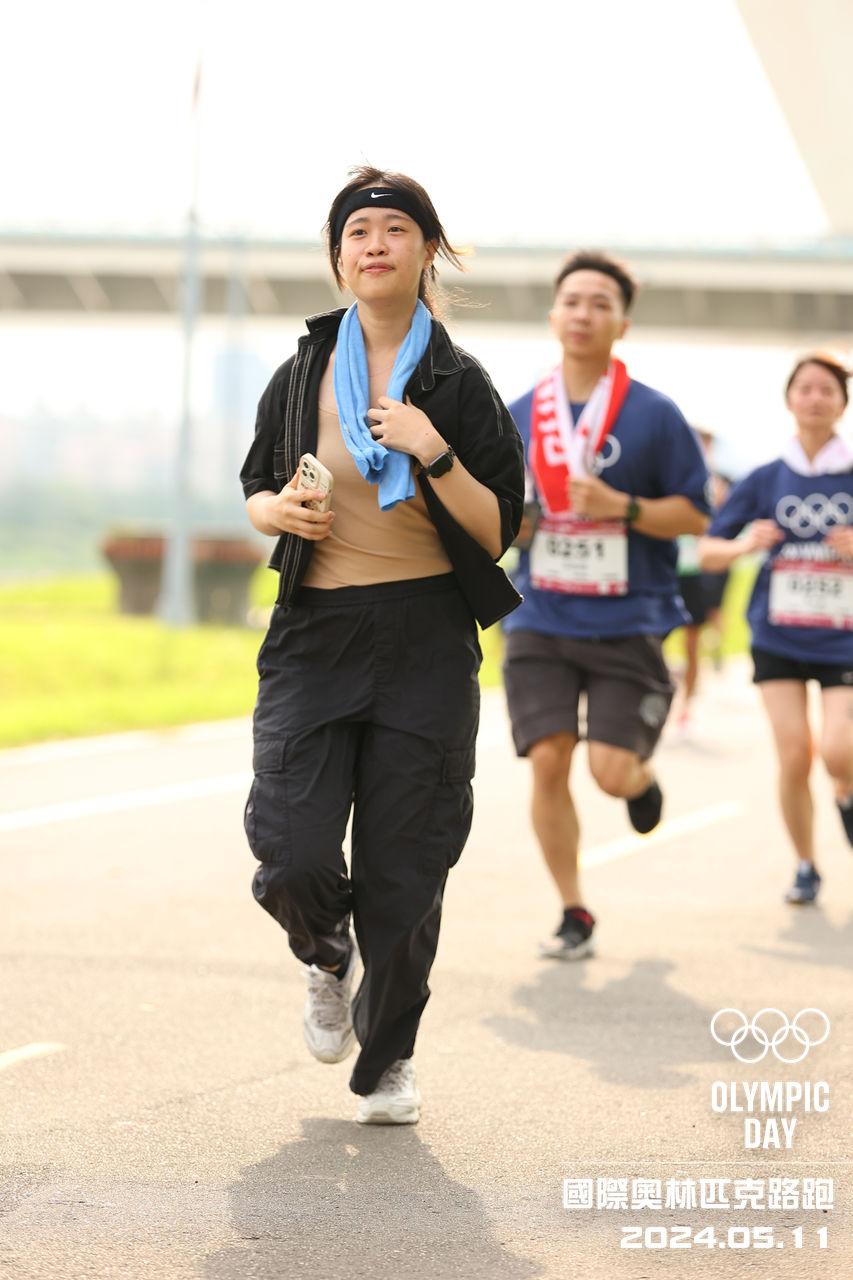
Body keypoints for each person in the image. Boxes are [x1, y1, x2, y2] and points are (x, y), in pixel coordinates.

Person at [239, 166, 524, 1124]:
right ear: (338, 257)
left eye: (394, 229)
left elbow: (495, 530)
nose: (374, 245)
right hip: (314, 633)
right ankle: (326, 955)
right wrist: (276, 511)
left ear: (426, 250)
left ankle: (390, 1055)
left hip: (425, 638)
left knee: (407, 868)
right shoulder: (301, 373)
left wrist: (430, 447)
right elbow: (256, 487)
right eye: (357, 232)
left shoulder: (458, 382)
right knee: (292, 848)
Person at [502, 250, 711, 959]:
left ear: (622, 323)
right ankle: (573, 910)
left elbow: (694, 514)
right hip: (540, 613)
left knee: (610, 773)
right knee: (548, 760)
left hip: (628, 618)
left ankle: (641, 781)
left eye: (600, 303)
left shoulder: (654, 414)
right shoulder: (518, 413)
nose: (583, 314)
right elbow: (496, 514)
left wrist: (623, 507)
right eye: (572, 301)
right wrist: (513, 525)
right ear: (552, 315)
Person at [699, 353, 853, 905]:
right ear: (789, 399)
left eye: (827, 390)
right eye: (804, 388)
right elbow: (708, 549)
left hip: (843, 638)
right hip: (777, 635)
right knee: (793, 757)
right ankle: (806, 864)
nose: (815, 398)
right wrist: (745, 544)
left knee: (838, 751)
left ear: (842, 403)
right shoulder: (766, 477)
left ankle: (845, 794)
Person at [672, 429, 732, 737]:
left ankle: (686, 708)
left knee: (692, 644)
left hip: (695, 573)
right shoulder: (669, 472)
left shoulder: (715, 482)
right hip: (667, 570)